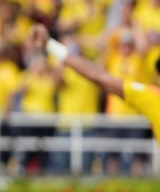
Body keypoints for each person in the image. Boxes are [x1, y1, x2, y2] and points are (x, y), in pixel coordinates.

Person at [31, 23, 160, 140]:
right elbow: (98, 75)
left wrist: (50, 45)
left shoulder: (153, 97)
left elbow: (98, 76)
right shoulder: (152, 97)